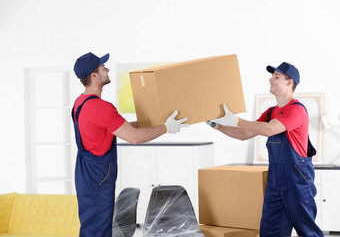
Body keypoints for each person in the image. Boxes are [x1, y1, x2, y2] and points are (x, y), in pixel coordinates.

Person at [72, 52, 189, 237]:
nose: (107, 69)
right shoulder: (102, 108)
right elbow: (135, 137)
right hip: (98, 177)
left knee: (90, 226)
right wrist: (166, 128)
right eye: (103, 67)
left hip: (85, 174)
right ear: (94, 76)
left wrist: (157, 121)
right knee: (99, 230)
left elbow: (119, 128)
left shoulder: (80, 103)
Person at [207, 62, 323, 237]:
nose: (270, 79)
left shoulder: (296, 110)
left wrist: (236, 120)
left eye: (276, 77)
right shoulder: (271, 112)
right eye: (271, 76)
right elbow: (244, 133)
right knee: (271, 231)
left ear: (289, 82)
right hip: (275, 181)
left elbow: (269, 129)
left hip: (297, 181)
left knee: (307, 231)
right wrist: (218, 126)